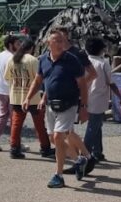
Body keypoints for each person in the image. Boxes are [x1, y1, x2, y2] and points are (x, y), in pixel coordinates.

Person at [23, 27, 94, 189]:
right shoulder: (43, 60)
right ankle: (79, 160)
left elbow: (82, 84)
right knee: (52, 138)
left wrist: (83, 106)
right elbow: (40, 80)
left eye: (63, 40)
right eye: (57, 40)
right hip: (51, 104)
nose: (61, 43)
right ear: (49, 43)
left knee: (57, 136)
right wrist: (29, 97)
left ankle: (58, 176)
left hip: (69, 104)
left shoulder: (72, 60)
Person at [3, 37, 53, 160]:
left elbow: (7, 77)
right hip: (33, 97)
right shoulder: (33, 60)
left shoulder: (12, 59)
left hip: (16, 95)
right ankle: (45, 148)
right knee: (39, 124)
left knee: (16, 123)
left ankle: (14, 148)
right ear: (31, 48)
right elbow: (39, 79)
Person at [84, 37, 121, 161]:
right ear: (101, 50)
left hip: (86, 97)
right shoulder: (103, 63)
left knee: (97, 126)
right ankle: (84, 154)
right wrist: (120, 98)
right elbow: (111, 83)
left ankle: (97, 151)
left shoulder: (85, 61)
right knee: (93, 127)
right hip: (98, 99)